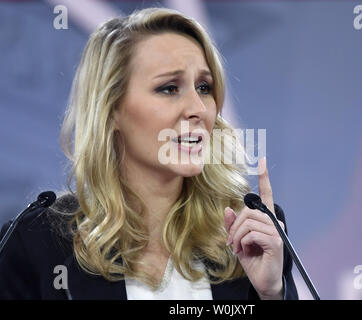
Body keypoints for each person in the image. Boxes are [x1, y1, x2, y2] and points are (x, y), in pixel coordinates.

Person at [0, 7, 298, 300]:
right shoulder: (39, 241)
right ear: (112, 109)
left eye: (204, 87)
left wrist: (271, 293)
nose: (197, 108)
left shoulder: (249, 231)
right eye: (169, 88)